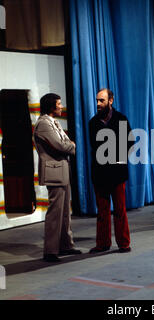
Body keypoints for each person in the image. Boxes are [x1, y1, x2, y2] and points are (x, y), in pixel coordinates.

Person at [33, 93, 82, 262]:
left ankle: (66, 245)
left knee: (64, 212)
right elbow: (62, 145)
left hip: (62, 170)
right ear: (51, 106)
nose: (61, 107)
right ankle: (50, 251)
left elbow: (65, 143)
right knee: (55, 212)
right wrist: (71, 146)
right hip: (54, 171)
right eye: (59, 104)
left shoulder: (54, 123)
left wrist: (69, 145)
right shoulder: (43, 124)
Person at [88, 88, 132, 253]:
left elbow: (129, 142)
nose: (98, 104)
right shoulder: (92, 123)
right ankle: (103, 243)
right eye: (97, 100)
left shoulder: (121, 119)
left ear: (110, 101)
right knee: (102, 212)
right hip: (99, 173)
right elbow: (95, 146)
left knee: (120, 210)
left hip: (117, 172)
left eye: (102, 100)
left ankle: (124, 243)